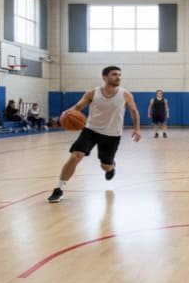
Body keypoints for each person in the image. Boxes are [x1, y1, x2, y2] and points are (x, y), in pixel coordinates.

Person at [47, 66, 141, 203]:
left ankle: (111, 167)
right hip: (90, 131)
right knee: (75, 156)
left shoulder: (125, 94)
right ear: (105, 77)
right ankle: (59, 189)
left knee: (105, 166)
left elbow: (134, 112)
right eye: (114, 74)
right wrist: (66, 113)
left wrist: (137, 129)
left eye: (119, 74)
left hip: (112, 135)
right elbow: (78, 107)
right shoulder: (92, 93)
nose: (118, 77)